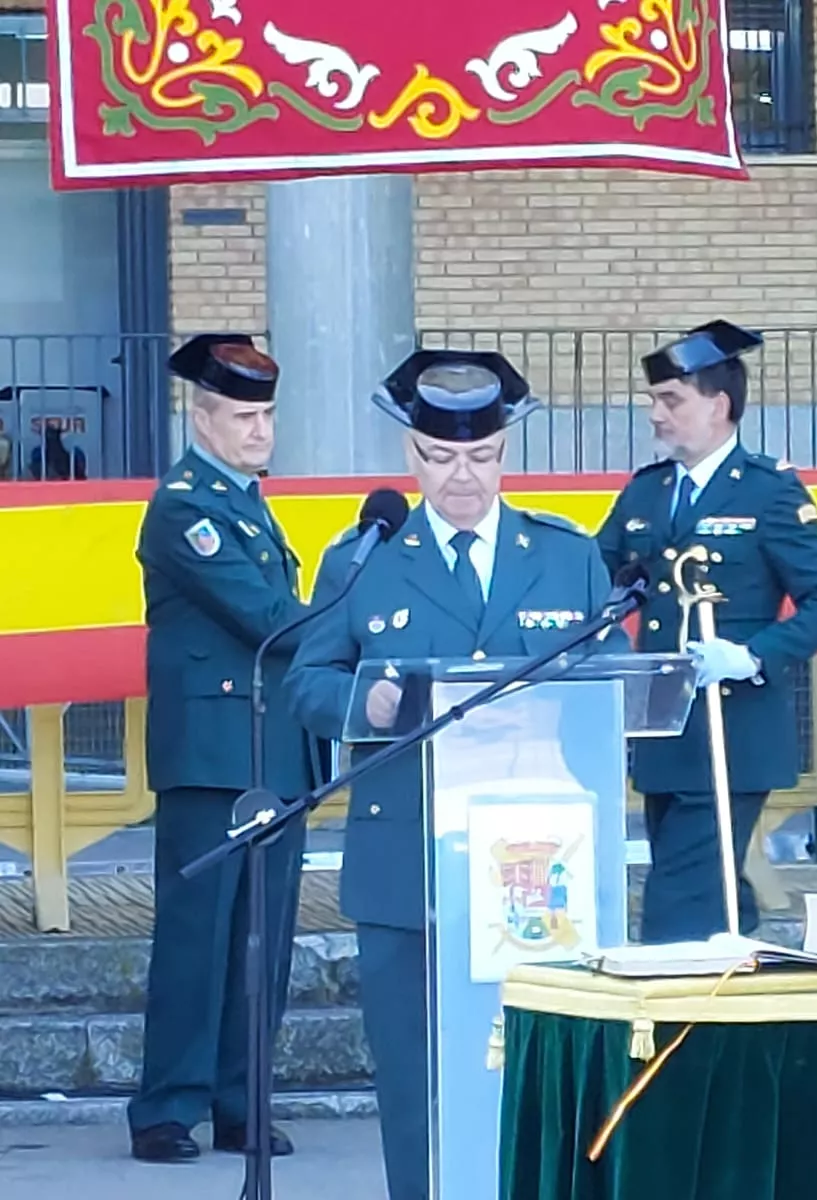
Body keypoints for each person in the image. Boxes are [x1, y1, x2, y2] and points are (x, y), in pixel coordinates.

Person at [284, 350, 614, 1200]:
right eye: (439, 458)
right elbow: (306, 681)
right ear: (411, 458)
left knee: (538, 1076)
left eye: (480, 456)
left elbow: (615, 688)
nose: (460, 477)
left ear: (505, 454)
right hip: (409, 866)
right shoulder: (364, 563)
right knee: (416, 1086)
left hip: (542, 863)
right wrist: (374, 705)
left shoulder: (568, 558)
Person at [596, 320, 817, 943]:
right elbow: (596, 585)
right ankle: (742, 1006)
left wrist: (752, 656)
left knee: (680, 909)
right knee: (712, 898)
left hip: (730, 731)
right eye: (654, 400)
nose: (656, 415)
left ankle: (678, 1027)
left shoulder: (769, 492)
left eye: (671, 400)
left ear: (719, 405)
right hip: (664, 736)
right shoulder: (647, 493)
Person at [128, 334, 313, 1163]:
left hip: (271, 749)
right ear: (201, 418)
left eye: (267, 414)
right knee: (197, 937)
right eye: (244, 415)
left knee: (263, 940)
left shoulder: (246, 500)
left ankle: (243, 1102)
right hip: (211, 754)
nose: (261, 430)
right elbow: (269, 617)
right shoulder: (184, 507)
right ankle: (168, 1107)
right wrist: (358, 599)